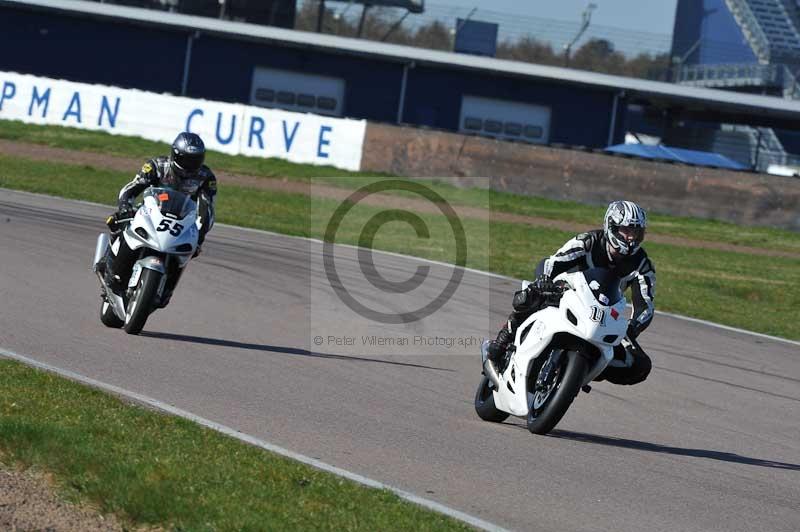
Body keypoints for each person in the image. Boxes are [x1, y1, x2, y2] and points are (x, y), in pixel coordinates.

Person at [486, 200, 656, 385]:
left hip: (602, 314)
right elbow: (554, 261)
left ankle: (584, 371)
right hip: (568, 294)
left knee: (640, 365)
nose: (631, 237)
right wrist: (545, 279)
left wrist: (631, 329)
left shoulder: (642, 265)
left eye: (636, 232)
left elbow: (645, 307)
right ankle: (504, 339)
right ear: (612, 227)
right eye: (627, 230)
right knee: (532, 294)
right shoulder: (588, 241)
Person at [102, 132, 217, 301]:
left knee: (190, 250)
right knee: (121, 222)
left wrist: (200, 234)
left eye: (196, 160)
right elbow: (131, 189)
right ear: (175, 155)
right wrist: (125, 206)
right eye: (187, 160)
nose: (192, 165)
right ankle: (110, 266)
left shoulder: (206, 177)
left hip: (180, 220)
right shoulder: (156, 165)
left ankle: (166, 290)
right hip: (150, 213)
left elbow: (207, 208)